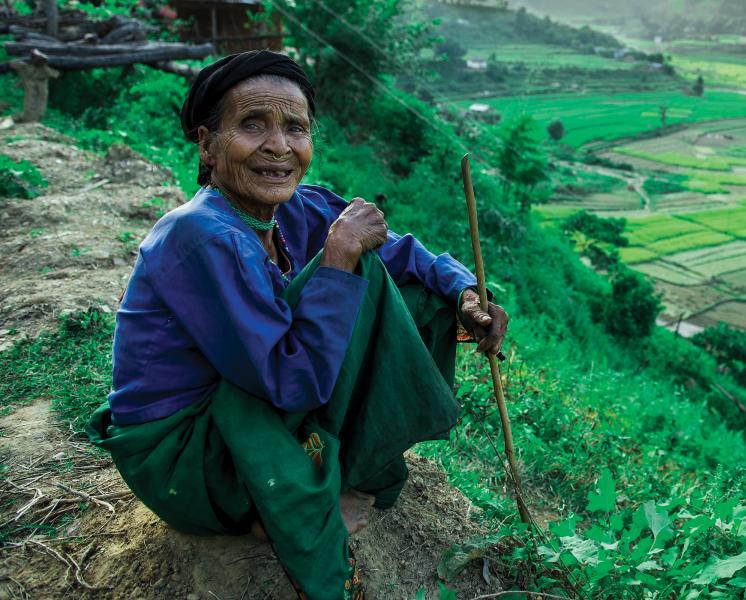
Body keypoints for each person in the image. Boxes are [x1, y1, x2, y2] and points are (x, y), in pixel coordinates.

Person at [85, 50, 508, 599]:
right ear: (207, 144)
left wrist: (465, 291)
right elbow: (291, 381)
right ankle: (272, 496)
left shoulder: (291, 209)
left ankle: (337, 465)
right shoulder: (202, 235)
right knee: (358, 270)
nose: (279, 146)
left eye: (295, 128)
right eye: (252, 125)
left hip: (245, 404)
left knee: (419, 292)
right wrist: (336, 257)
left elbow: (404, 253)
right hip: (188, 455)